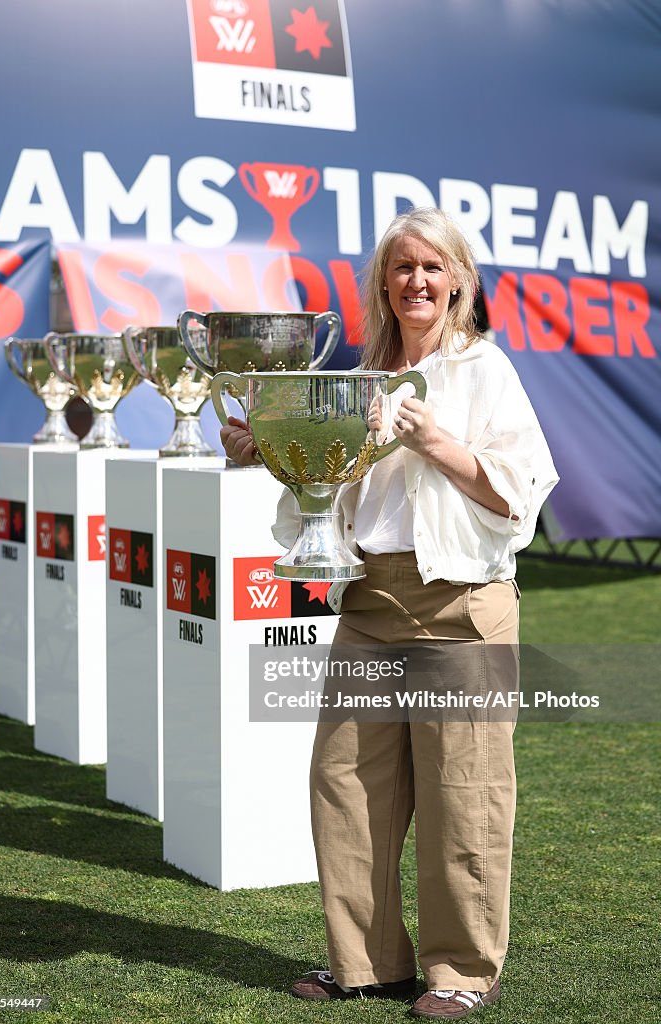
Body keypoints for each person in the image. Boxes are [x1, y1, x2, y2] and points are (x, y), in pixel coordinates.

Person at [221, 207, 558, 1019]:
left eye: (432, 267)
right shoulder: (353, 378)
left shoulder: (486, 371)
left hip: (461, 605)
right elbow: (325, 484)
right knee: (346, 783)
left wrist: (434, 439)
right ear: (383, 283)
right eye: (402, 267)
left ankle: (463, 973)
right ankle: (366, 964)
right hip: (370, 601)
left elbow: (519, 494)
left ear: (459, 283)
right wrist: (268, 447)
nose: (416, 280)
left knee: (463, 791)